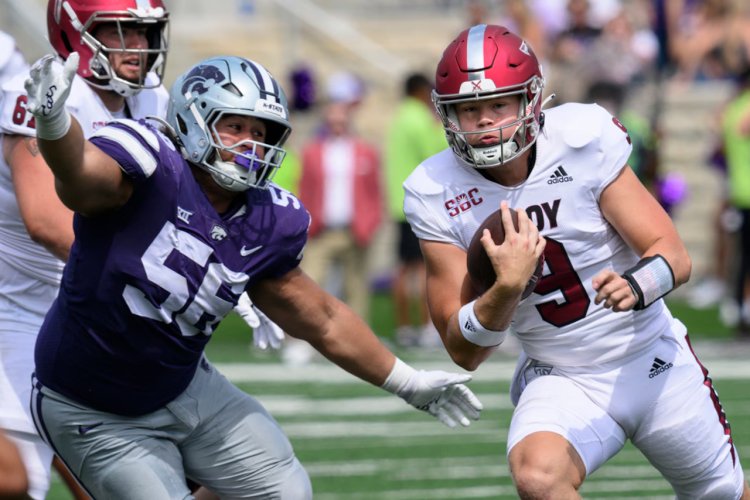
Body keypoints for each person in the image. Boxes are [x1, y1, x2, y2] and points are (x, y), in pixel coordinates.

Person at [22, 53, 483, 499]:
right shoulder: (151, 160)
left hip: (179, 385)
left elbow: (321, 317)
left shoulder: (267, 218)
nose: (250, 142)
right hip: (89, 403)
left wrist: (405, 381)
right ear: (192, 119)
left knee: (285, 489)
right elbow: (81, 176)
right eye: (235, 126)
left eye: (261, 132)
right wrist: (55, 124)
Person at [403, 23, 750, 498]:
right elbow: (463, 350)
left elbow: (673, 254)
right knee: (538, 476)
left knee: (721, 492)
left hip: (650, 357)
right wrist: (506, 288)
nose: (484, 121)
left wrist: (636, 285)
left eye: (498, 104)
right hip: (559, 373)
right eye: (469, 109)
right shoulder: (435, 190)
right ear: (448, 116)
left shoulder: (581, 139)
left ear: (531, 100)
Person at [0, 1, 170, 498]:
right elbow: (47, 223)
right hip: (21, 310)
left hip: (95, 312)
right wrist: (154, 279)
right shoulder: (39, 95)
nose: (136, 46)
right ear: (74, 32)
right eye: (120, 30)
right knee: (16, 480)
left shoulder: (154, 101)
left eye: (144, 32)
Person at [384, 72, 447, 347]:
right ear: (421, 91)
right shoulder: (419, 118)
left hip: (398, 201)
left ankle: (404, 327)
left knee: (403, 269)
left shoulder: (398, 117)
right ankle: (427, 328)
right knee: (424, 268)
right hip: (418, 201)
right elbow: (439, 151)